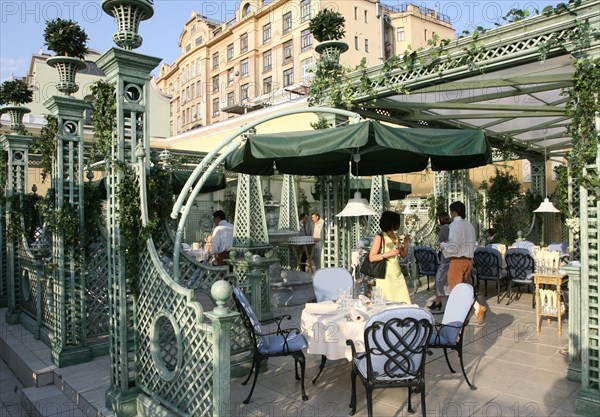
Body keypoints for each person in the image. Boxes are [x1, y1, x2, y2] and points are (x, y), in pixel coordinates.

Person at [441, 201, 487, 323]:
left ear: (454, 212)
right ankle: (475, 309)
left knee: (456, 291)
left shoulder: (455, 226)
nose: (450, 214)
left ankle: (461, 315)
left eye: (451, 212)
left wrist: (443, 245)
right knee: (462, 290)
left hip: (457, 260)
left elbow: (453, 247)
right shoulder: (469, 225)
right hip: (468, 260)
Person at [368, 211, 411, 304]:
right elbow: (371, 257)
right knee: (388, 303)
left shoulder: (395, 236)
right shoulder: (379, 237)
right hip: (385, 275)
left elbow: (403, 256)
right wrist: (388, 254)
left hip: (397, 273)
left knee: (404, 302)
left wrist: (406, 243)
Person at [429, 212, 452, 311]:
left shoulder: (444, 228)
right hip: (449, 257)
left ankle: (438, 302)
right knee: (443, 281)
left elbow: (447, 242)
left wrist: (441, 244)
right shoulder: (450, 227)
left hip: (446, 258)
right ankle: (437, 301)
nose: (437, 220)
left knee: (439, 280)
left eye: (438, 218)